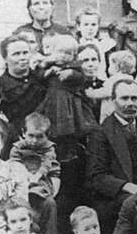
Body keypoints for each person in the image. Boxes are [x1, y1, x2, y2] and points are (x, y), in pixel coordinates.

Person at [84, 79, 137, 234]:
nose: (130, 103)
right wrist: (129, 187)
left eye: (134, 98)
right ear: (113, 101)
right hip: (114, 197)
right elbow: (96, 177)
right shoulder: (100, 132)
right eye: (124, 98)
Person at [34, 34, 98, 162]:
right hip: (52, 103)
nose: (63, 56)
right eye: (60, 52)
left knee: (70, 130)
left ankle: (70, 151)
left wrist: (71, 73)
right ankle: (52, 150)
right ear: (52, 51)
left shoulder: (74, 66)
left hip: (69, 105)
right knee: (51, 127)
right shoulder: (48, 65)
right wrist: (47, 72)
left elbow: (81, 78)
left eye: (68, 53)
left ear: (74, 55)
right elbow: (39, 77)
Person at [7, 113, 60, 234]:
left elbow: (47, 164)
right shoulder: (17, 147)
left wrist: (37, 176)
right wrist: (24, 177)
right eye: (31, 136)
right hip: (20, 182)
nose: (35, 141)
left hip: (40, 181)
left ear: (47, 135)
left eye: (40, 136)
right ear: (23, 133)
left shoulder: (49, 148)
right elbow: (14, 163)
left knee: (49, 203)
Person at [0, 34, 48, 134]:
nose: (22, 57)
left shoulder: (42, 77)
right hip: (19, 137)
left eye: (25, 53)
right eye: (16, 54)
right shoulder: (0, 86)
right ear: (5, 58)